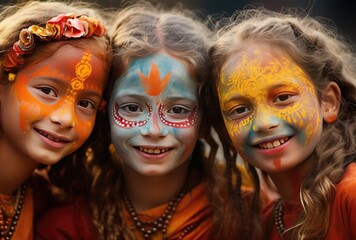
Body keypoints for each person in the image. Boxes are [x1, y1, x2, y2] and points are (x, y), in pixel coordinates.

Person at [36, 2, 256, 240]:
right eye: (132, 107)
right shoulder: (65, 226)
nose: (154, 129)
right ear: (105, 112)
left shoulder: (247, 218)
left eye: (178, 110)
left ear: (204, 120)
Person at [204, 6, 356, 240]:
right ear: (226, 131)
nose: (264, 123)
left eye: (283, 98)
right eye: (240, 109)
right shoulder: (263, 223)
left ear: (328, 102)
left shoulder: (350, 195)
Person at [0, 1, 111, 239]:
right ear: (2, 82)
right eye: (47, 91)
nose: (65, 118)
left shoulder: (44, 200)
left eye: (85, 104)